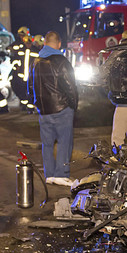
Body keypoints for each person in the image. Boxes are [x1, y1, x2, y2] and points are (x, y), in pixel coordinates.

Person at [30, 31, 78, 186]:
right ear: (58, 44)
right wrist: (73, 104)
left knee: (47, 144)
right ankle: (62, 175)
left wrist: (37, 104)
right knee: (65, 142)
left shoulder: (36, 61)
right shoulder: (62, 61)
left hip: (44, 111)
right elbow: (70, 87)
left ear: (44, 43)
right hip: (62, 108)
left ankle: (49, 175)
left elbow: (30, 87)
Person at [9, 35, 39, 113]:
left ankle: (30, 108)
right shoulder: (20, 50)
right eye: (26, 43)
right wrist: (16, 66)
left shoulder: (36, 51)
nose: (28, 44)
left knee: (31, 92)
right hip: (21, 76)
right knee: (21, 90)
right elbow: (14, 59)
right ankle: (24, 104)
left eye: (29, 43)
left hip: (31, 76)